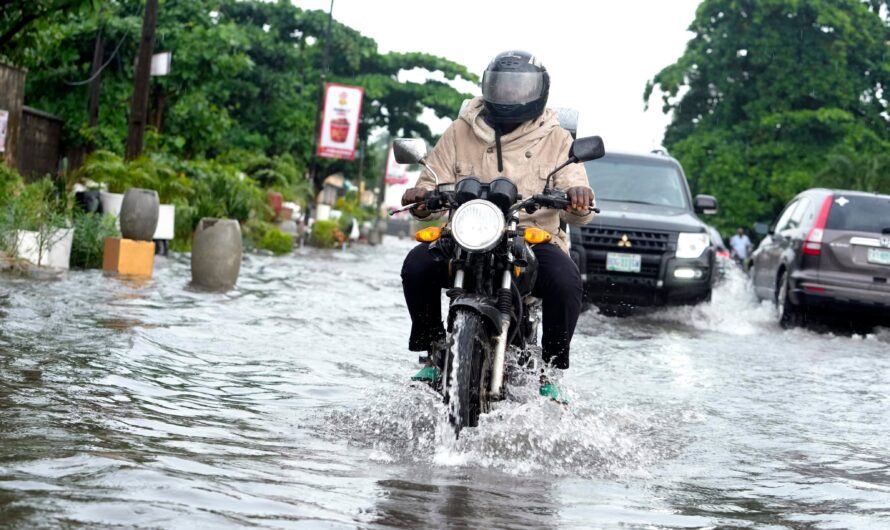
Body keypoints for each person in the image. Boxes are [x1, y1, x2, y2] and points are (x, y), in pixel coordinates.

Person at [399, 50, 596, 401]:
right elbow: (430, 184)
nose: (509, 97)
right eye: (503, 88)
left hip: (532, 236)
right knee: (417, 265)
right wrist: (423, 194)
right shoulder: (460, 131)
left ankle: (550, 369)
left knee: (566, 281)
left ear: (539, 91)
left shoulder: (556, 138)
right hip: (465, 233)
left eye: (519, 89)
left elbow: (578, 204)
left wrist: (578, 195)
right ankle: (431, 347)